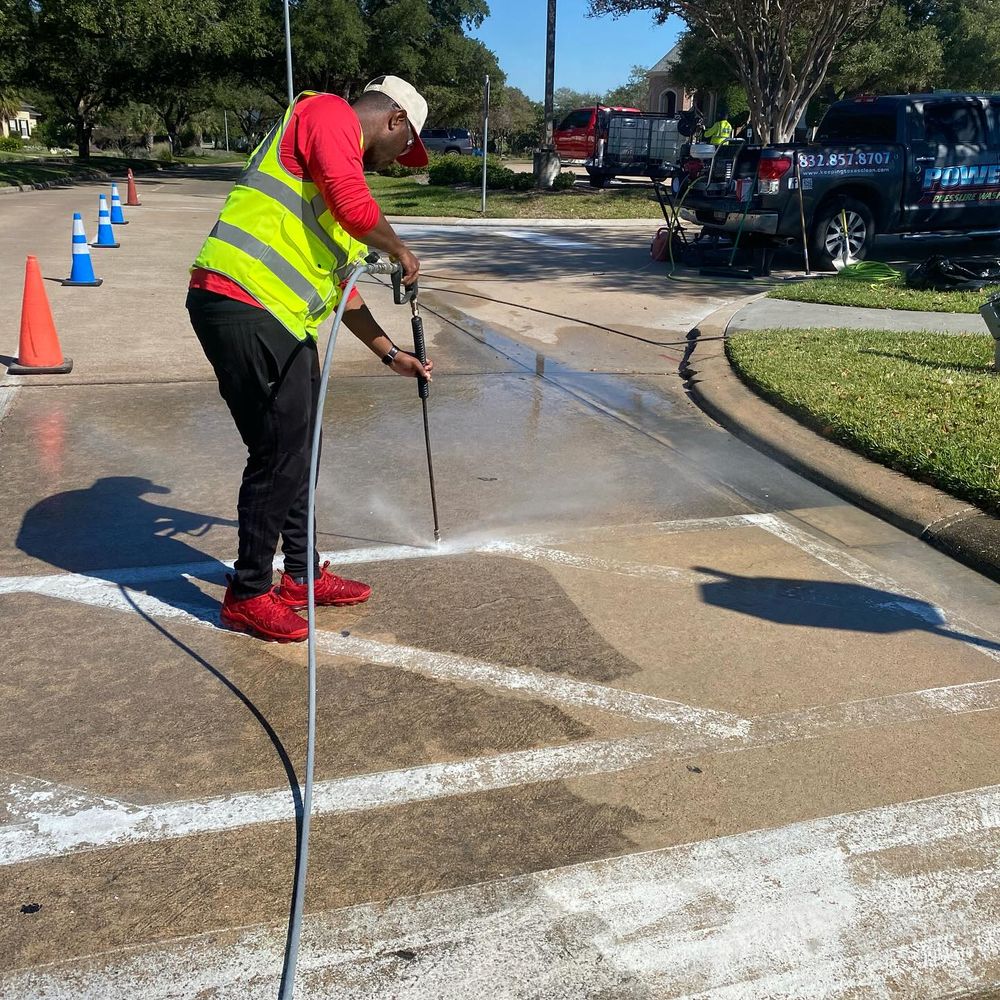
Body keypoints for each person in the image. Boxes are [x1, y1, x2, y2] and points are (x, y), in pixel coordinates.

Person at [186, 76, 433, 643]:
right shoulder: (326, 114)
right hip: (240, 299)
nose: (398, 160)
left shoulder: (330, 183)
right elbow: (356, 205)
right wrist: (398, 248)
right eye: (406, 147)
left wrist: (392, 354)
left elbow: (347, 290)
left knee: (301, 449)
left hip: (280, 319)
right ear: (394, 120)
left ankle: (298, 575)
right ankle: (248, 592)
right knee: (279, 452)